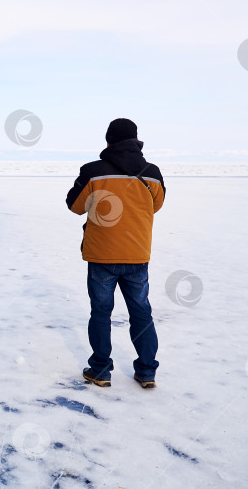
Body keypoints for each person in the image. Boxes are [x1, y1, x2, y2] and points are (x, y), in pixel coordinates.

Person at [65, 119, 165, 389]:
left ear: (108, 140)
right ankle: (146, 372)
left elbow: (75, 206)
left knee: (100, 313)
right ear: (136, 140)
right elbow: (155, 206)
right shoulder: (152, 173)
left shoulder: (93, 171)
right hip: (137, 255)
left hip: (102, 257)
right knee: (141, 313)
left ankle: (100, 370)